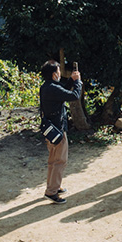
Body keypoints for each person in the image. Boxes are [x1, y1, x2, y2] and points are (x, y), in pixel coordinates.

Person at [39, 60, 82, 205]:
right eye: (58, 71)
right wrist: (77, 82)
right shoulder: (53, 88)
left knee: (53, 160)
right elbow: (74, 96)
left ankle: (54, 186)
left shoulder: (46, 87)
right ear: (53, 74)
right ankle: (51, 192)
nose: (59, 73)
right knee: (60, 161)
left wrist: (71, 80)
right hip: (58, 129)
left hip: (50, 130)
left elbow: (62, 90)